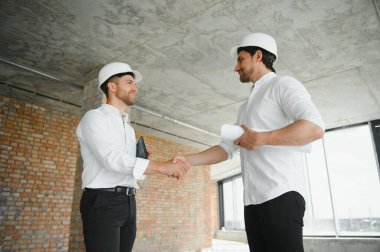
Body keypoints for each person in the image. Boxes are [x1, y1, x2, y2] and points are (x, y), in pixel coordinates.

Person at [174, 33, 325, 252]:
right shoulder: (244, 108)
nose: (236, 67)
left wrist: (262, 138)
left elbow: (314, 127)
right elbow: (227, 148)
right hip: (252, 204)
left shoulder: (283, 85)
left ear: (258, 56)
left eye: (240, 59)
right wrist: (187, 160)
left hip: (281, 196)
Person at [76, 62, 189, 252]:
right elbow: (111, 160)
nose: (135, 88)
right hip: (102, 200)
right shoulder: (94, 117)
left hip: (128, 202)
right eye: (129, 82)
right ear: (112, 86)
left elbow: (128, 168)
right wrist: (160, 166)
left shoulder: (128, 129)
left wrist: (146, 161)